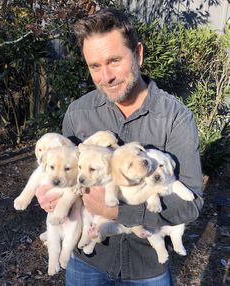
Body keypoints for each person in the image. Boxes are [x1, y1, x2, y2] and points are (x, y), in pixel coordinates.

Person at [36, 8, 203, 286]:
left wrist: (119, 213)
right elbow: (64, 178)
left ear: (138, 54)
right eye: (95, 66)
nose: (106, 77)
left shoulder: (176, 118)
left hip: (147, 267)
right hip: (87, 261)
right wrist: (50, 195)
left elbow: (191, 205)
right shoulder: (78, 113)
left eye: (114, 61)